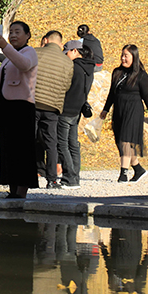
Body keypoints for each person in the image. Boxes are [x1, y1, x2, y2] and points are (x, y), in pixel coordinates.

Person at [0, 21, 39, 199]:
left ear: (27, 35)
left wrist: (5, 46)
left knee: (22, 150)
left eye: (17, 32)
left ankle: (21, 191)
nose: (13, 35)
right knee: (8, 149)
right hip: (5, 107)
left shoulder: (29, 52)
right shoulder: (9, 56)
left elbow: (25, 65)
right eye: (11, 32)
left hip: (21, 106)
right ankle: (11, 188)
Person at [99, 44, 148, 182]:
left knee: (126, 140)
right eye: (122, 55)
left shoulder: (141, 75)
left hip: (133, 110)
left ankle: (123, 173)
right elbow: (112, 93)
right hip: (119, 110)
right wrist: (106, 109)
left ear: (134, 56)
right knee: (119, 140)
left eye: (126, 56)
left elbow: (147, 96)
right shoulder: (117, 72)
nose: (123, 58)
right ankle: (138, 169)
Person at [33, 31, 72, 189]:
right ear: (60, 44)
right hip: (53, 106)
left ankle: (29, 176)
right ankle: (52, 180)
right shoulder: (67, 62)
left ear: (45, 40)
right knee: (51, 143)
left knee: (30, 140)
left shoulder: (35, 53)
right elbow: (67, 85)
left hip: (34, 103)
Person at [58, 41, 95, 189]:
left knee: (62, 144)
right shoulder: (88, 67)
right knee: (73, 144)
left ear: (74, 51)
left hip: (66, 109)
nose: (65, 56)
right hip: (77, 110)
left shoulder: (73, 67)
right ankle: (75, 178)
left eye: (66, 52)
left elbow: (64, 87)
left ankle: (69, 178)